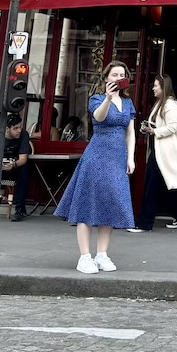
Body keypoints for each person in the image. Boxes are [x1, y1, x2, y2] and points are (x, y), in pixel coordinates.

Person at [54, 61, 136, 273]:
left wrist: (131, 158)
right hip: (98, 154)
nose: (118, 77)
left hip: (118, 156)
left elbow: (131, 132)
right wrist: (108, 98)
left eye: (122, 74)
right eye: (114, 74)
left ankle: (102, 254)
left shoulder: (128, 103)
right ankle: (84, 256)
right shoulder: (97, 98)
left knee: (111, 202)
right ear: (107, 77)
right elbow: (98, 117)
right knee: (87, 203)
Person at [137, 74, 177, 231]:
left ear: (163, 87)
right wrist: (149, 127)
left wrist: (153, 130)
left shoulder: (170, 105)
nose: (153, 88)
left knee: (151, 187)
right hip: (159, 151)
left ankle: (145, 224)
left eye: (156, 86)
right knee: (166, 187)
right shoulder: (162, 103)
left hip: (164, 153)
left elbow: (172, 127)